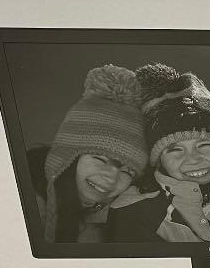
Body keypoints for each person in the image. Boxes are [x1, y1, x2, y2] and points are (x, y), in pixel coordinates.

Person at [110, 64, 210, 243]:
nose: (193, 158)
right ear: (159, 161)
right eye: (176, 149)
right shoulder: (136, 208)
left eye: (204, 144)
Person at [28, 65, 148, 243]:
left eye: (127, 171)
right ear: (66, 157)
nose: (111, 178)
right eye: (99, 158)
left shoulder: (115, 222)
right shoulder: (22, 204)